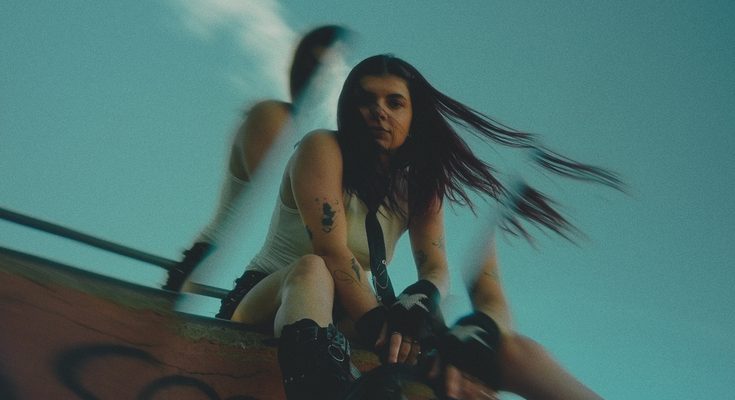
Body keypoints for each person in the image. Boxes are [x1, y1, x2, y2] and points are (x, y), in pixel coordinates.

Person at [221, 54, 620, 399]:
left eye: (395, 102)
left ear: (414, 117)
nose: (379, 111)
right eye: (365, 100)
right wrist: (382, 325)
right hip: (269, 299)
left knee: (496, 351)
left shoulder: (420, 185)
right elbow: (331, 251)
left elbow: (434, 267)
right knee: (314, 269)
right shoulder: (322, 147)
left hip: (348, 316)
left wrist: (419, 306)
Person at [162, 25, 350, 302]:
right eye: (314, 65)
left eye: (330, 70)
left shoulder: (324, 144)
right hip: (221, 273)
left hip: (286, 283)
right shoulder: (276, 117)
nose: (319, 78)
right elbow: (272, 205)